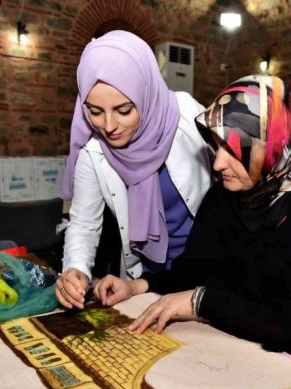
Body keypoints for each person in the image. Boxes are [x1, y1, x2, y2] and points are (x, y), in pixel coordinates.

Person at [92, 75, 291, 375]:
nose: (217, 164)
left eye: (234, 150)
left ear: (273, 146)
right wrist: (137, 285)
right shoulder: (225, 197)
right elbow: (193, 270)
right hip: (240, 348)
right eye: (216, 147)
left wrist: (202, 302)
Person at [55, 31, 213, 310]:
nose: (108, 125)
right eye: (95, 111)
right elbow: (84, 223)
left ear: (145, 93)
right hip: (144, 279)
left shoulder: (187, 116)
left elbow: (229, 183)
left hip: (204, 270)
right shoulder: (93, 151)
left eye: (124, 110)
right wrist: (75, 269)